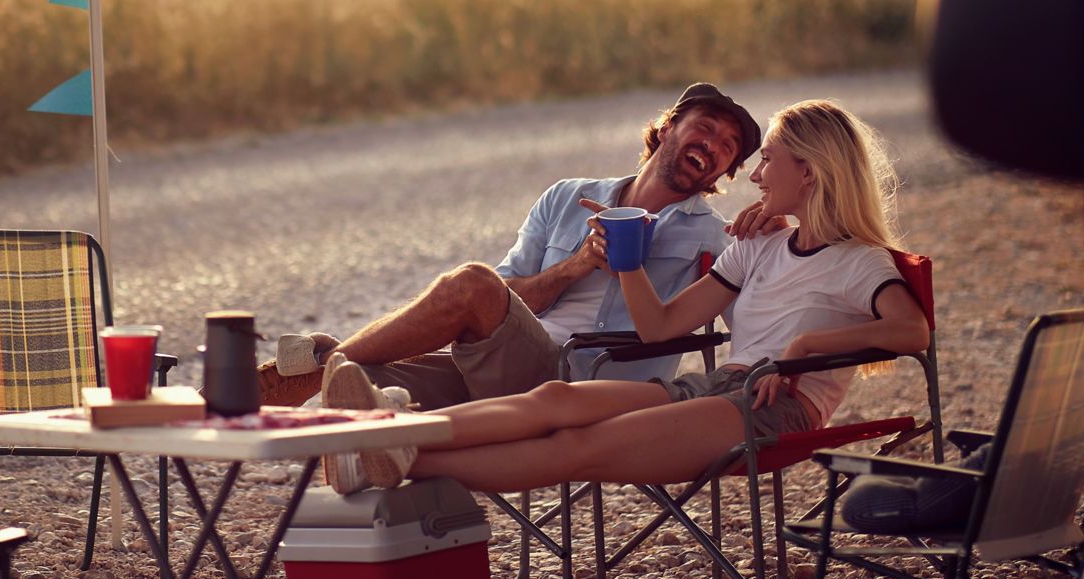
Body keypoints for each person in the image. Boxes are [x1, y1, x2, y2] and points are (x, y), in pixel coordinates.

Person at [320, 98, 931, 494]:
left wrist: (804, 347)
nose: (753, 175)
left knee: (578, 447)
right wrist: (627, 257)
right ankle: (378, 436)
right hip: (716, 389)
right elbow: (662, 327)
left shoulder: (859, 261)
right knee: (555, 398)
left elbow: (913, 333)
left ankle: (401, 457)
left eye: (763, 159)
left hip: (775, 406)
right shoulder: (758, 248)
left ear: (810, 173)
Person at [259, 83, 763, 421]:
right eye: (706, 127)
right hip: (503, 368)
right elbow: (504, 299)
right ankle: (240, 400)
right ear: (670, 125)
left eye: (728, 147)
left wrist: (772, 231)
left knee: (470, 283)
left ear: (724, 174)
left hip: (588, 391)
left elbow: (759, 319)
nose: (715, 144)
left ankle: (321, 357)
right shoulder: (566, 196)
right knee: (357, 384)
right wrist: (576, 265)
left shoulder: (716, 238)